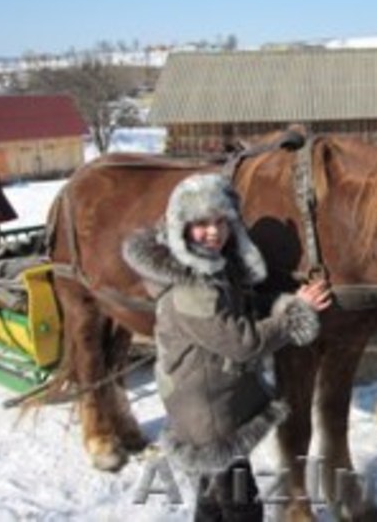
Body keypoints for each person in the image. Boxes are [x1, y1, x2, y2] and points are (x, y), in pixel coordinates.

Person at [122, 173, 331, 522]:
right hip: (208, 412)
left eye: (222, 221)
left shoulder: (209, 266)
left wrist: (283, 301)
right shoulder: (193, 288)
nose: (214, 231)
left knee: (214, 500)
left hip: (203, 403)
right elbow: (242, 343)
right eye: (201, 222)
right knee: (242, 507)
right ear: (179, 226)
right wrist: (295, 314)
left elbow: (240, 304)